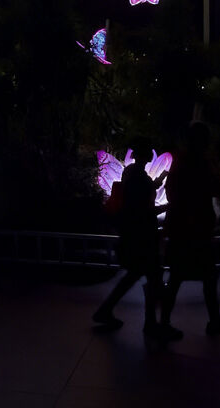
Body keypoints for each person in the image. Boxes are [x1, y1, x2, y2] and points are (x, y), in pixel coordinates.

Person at [160, 121, 220, 338]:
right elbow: (218, 190)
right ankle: (214, 320)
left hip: (180, 229)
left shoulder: (180, 162)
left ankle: (165, 322)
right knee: (209, 277)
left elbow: (171, 191)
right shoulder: (200, 164)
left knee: (176, 278)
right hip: (198, 230)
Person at [93, 142, 171, 338]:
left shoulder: (131, 172)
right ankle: (150, 323)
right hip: (142, 235)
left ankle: (111, 312)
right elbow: (143, 208)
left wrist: (159, 181)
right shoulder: (138, 178)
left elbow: (143, 191)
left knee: (136, 276)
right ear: (144, 155)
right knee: (149, 276)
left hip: (134, 234)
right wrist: (169, 206)